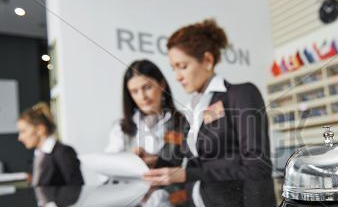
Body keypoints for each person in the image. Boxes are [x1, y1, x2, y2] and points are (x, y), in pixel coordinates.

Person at [143, 19, 272, 185]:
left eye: (182, 66)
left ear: (208, 61)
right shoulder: (192, 109)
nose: (177, 77)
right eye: (173, 69)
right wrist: (151, 162)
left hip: (237, 206)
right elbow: (179, 161)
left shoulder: (241, 94)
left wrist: (188, 175)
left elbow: (258, 169)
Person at [105, 59, 187, 169]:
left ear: (162, 85)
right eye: (135, 91)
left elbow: (190, 167)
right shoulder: (121, 128)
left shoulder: (183, 122)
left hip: (173, 186)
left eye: (147, 87)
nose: (142, 96)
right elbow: (108, 169)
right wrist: (129, 161)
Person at [17, 102, 84, 186]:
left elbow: (76, 188)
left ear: (40, 129)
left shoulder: (63, 152)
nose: (20, 138)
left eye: (23, 131)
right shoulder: (39, 155)